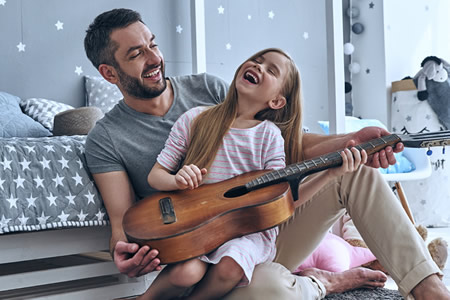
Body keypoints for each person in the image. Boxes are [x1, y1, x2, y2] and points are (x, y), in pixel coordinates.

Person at [83, 8, 449, 300]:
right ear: (109, 73)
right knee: (269, 290)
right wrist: (125, 254)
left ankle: (428, 287)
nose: (154, 57)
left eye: (153, 44)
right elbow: (122, 223)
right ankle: (326, 282)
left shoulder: (206, 89)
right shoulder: (106, 137)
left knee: (356, 172)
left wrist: (350, 139)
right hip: (195, 258)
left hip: (255, 232)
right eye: (136, 53)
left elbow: (292, 145)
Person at [142, 48, 367, 299]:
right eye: (257, 61)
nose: (258, 67)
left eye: (271, 70)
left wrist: (328, 175)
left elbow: (282, 200)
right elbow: (156, 175)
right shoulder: (195, 119)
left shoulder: (269, 135)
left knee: (230, 267)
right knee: (185, 274)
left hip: (248, 233)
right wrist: (176, 180)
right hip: (199, 228)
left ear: (277, 102)